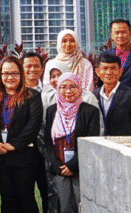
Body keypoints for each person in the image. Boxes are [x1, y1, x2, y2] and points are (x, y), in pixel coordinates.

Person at [0, 56, 42, 213]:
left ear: (21, 74)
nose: (9, 77)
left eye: (14, 73)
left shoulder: (32, 96)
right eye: (5, 73)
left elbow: (33, 125)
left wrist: (14, 145)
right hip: (0, 157)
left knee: (26, 198)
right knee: (7, 199)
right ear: (0, 75)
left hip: (23, 156)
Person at [39, 73, 101, 213]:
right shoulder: (52, 111)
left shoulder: (90, 111)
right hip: (60, 168)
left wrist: (72, 165)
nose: (68, 91)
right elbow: (48, 141)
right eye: (63, 87)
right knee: (65, 206)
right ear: (58, 89)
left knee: (83, 205)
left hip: (81, 167)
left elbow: (91, 142)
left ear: (80, 88)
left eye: (73, 86)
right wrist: (58, 166)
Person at [20, 52, 50, 213]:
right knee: (25, 195)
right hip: (22, 150)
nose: (33, 69)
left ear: (42, 68)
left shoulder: (51, 92)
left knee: (47, 192)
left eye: (36, 66)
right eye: (28, 66)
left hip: (46, 150)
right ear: (21, 68)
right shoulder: (15, 92)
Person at [94, 53, 131, 136]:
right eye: (105, 68)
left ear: (120, 72)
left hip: (124, 143)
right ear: (97, 72)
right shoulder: (93, 96)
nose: (109, 72)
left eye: (113, 68)